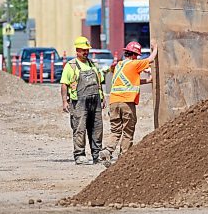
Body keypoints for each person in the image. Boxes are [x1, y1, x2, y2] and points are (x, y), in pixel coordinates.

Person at [99, 40, 158, 165]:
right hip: (127, 102)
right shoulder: (134, 64)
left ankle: (107, 150)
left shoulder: (119, 65)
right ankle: (123, 157)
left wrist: (147, 81)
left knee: (115, 130)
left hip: (114, 102)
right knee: (128, 131)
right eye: (137, 55)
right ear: (134, 55)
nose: (137, 58)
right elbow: (151, 59)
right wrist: (156, 48)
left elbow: (130, 81)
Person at [60, 36, 105, 165]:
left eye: (87, 50)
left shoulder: (92, 64)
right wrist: (64, 102)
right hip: (78, 102)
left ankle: (97, 155)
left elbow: (99, 82)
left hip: (95, 101)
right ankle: (79, 155)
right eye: (83, 50)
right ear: (77, 50)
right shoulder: (71, 66)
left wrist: (102, 98)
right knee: (79, 128)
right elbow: (64, 84)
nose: (85, 52)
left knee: (97, 128)